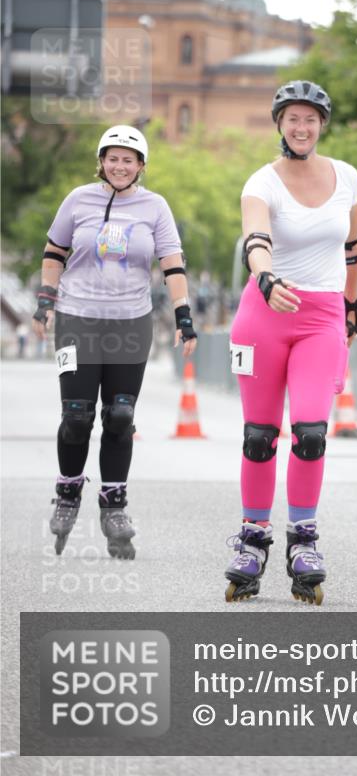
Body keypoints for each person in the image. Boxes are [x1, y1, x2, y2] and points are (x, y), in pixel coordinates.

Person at [225, 80, 357, 605]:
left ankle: (303, 540)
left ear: (321, 125)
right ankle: (252, 538)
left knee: (310, 432)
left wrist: (351, 309)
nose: (301, 127)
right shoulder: (262, 181)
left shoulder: (348, 177)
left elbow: (352, 251)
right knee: (260, 436)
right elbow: (255, 238)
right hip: (263, 314)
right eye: (292, 119)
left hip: (321, 316)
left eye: (310, 119)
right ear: (279, 124)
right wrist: (265, 277)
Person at [32, 125, 198, 560]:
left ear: (141, 166)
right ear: (101, 161)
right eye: (113, 158)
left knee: (121, 416)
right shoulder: (78, 200)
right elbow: (53, 253)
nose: (120, 166)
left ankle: (114, 506)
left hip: (130, 323)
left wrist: (184, 315)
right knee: (77, 416)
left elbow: (172, 264)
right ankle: (68, 492)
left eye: (129, 159)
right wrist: (45, 303)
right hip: (76, 320)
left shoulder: (155, 207)